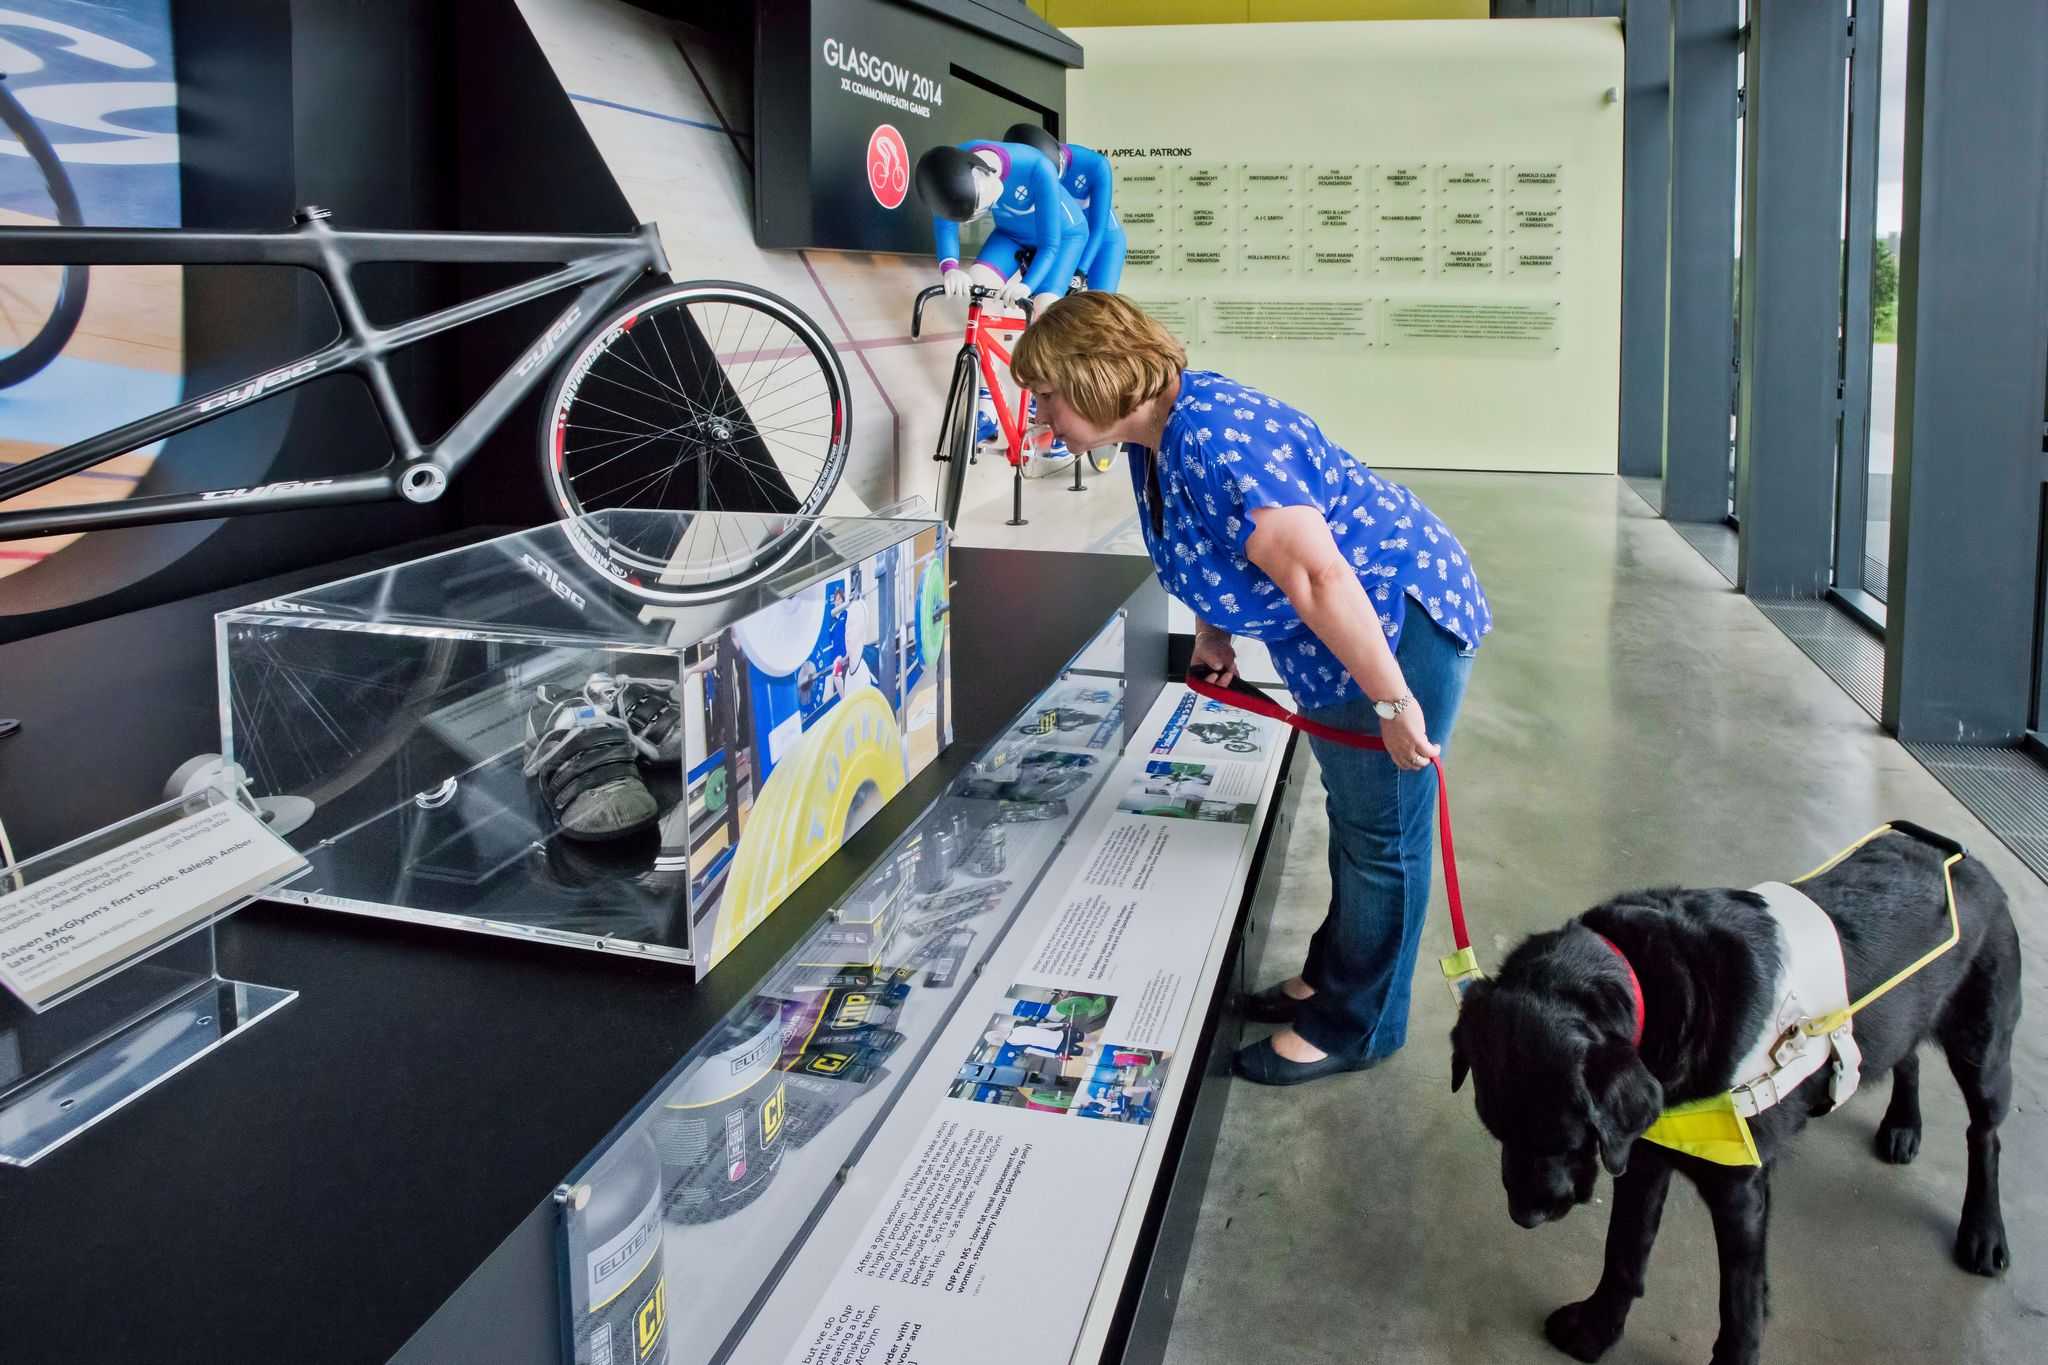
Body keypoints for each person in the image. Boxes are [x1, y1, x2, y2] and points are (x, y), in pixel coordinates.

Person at [1010, 293, 1491, 1086]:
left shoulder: (1210, 435)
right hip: (1340, 642)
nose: (1042, 417)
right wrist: (1213, 634)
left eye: (1048, 396)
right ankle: (1333, 976)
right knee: (1360, 816)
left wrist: (1397, 704)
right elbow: (1207, 545)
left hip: (1389, 631)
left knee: (1384, 839)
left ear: (1096, 377)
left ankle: (1357, 1025)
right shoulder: (1155, 436)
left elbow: (1318, 573)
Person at [913, 139, 1088, 317]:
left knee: (1044, 308)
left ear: (983, 173)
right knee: (980, 284)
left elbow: (1050, 245)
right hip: (1011, 233)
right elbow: (945, 224)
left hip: (1065, 236)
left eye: (984, 208)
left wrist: (1026, 285)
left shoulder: (1037, 167)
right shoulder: (948, 166)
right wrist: (950, 268)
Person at [1002, 123, 1126, 294]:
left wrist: (1081, 270)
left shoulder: (1096, 165)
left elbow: (1098, 228)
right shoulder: (1029, 173)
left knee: (1100, 307)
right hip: (1066, 239)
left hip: (1104, 239)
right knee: (1046, 301)